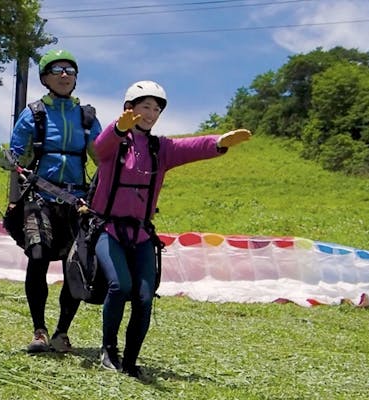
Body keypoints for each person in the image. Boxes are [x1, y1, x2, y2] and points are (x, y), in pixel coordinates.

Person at [90, 80, 251, 378]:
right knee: (119, 286)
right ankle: (108, 350)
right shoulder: (115, 144)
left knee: (144, 296)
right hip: (107, 228)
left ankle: (131, 360)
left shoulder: (160, 149)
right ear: (130, 108)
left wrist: (219, 143)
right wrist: (117, 128)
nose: (151, 114)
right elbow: (99, 149)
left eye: (156, 109)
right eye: (145, 107)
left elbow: (189, 147)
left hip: (140, 233)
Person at [0, 49, 102, 353]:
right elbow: (17, 158)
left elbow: (103, 159)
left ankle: (61, 333)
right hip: (39, 197)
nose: (65, 74)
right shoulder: (33, 114)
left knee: (75, 265)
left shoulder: (86, 117)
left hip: (76, 202)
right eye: (57, 69)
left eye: (70, 69)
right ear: (45, 78)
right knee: (39, 255)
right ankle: (39, 330)